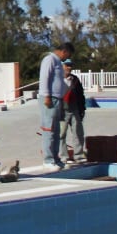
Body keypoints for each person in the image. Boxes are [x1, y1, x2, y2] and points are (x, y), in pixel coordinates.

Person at [39, 42, 74, 170]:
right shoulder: (49, 59)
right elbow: (44, 78)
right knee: (49, 129)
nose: (67, 58)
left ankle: (56, 158)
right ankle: (48, 160)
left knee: (56, 130)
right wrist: (47, 96)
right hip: (50, 98)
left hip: (57, 99)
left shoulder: (58, 62)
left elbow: (58, 82)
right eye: (67, 55)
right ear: (64, 51)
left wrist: (67, 83)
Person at [60, 59, 87, 163]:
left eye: (70, 65)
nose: (69, 67)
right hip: (62, 110)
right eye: (67, 65)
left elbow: (81, 95)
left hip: (74, 108)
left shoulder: (75, 79)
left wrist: (82, 109)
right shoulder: (57, 79)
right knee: (61, 134)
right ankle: (63, 156)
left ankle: (78, 155)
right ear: (62, 66)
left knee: (78, 132)